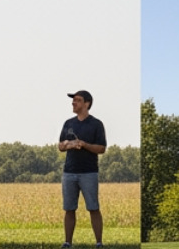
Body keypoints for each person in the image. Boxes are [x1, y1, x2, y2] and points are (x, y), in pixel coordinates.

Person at [58, 89, 106, 247]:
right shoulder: (68, 123)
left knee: (93, 208)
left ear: (87, 103)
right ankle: (67, 243)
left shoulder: (96, 124)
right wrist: (67, 144)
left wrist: (84, 145)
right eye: (73, 100)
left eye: (77, 100)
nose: (73, 102)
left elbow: (101, 148)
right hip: (69, 172)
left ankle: (99, 243)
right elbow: (60, 146)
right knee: (69, 209)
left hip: (89, 173)